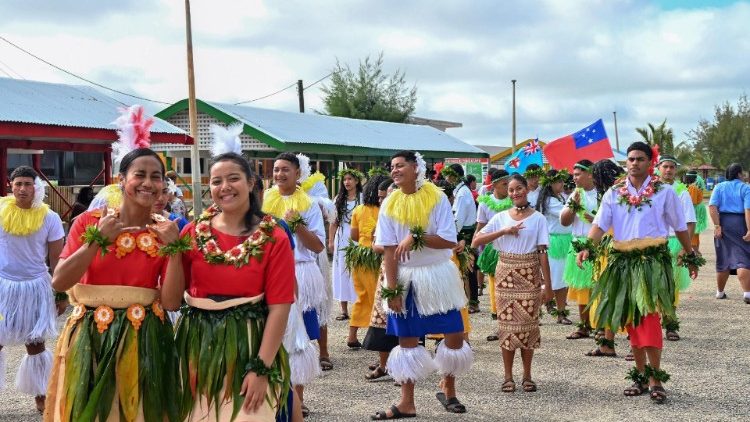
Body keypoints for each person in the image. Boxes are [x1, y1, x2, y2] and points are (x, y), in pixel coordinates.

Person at [46, 114, 182, 421]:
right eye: (140, 175)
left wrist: (174, 250)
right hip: (90, 336)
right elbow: (59, 281)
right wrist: (96, 241)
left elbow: (172, 302)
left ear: (163, 183)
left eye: (156, 176)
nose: (148, 183)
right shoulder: (89, 223)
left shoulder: (166, 231)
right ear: (122, 180)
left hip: (146, 336)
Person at [161, 143, 296, 421]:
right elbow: (171, 301)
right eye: (216, 181)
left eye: (233, 178)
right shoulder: (191, 232)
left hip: (248, 343)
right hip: (195, 346)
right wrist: (174, 252)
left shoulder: (274, 237)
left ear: (251, 183)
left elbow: (280, 307)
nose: (225, 187)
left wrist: (261, 368)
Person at [576, 141, 699, 404]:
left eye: (640, 159)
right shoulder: (613, 192)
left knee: (650, 320)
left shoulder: (665, 192)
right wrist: (586, 247)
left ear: (649, 162)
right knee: (632, 320)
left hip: (652, 263)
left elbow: (679, 227)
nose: (634, 163)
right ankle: (640, 376)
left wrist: (689, 253)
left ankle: (655, 379)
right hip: (622, 264)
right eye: (630, 159)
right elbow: (599, 225)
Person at [371, 151, 473, 420]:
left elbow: (448, 239)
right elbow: (389, 250)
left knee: (453, 336)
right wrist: (392, 290)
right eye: (392, 166)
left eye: (400, 165)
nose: (395, 170)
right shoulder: (389, 203)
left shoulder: (436, 196)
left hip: (438, 275)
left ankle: (448, 388)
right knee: (407, 340)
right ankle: (407, 402)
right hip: (407, 277)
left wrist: (417, 238)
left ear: (416, 167)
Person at [473, 174, 553, 394]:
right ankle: (508, 376)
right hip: (505, 274)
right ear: (507, 193)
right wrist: (504, 231)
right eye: (511, 190)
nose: (515, 193)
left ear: (527, 189)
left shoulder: (538, 219)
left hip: (529, 274)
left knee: (528, 327)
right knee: (507, 328)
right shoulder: (500, 217)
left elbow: (543, 252)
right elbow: (476, 240)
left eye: (519, 188)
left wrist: (549, 285)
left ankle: (527, 375)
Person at [262, 152, 326, 416]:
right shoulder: (266, 200)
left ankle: (297, 400)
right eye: (276, 170)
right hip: (271, 275)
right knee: (273, 337)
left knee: (299, 341)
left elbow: (319, 245)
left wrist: (296, 224)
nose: (279, 175)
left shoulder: (309, 203)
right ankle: (273, 396)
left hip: (302, 273)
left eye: (285, 170)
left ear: (298, 173)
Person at [0, 166, 64, 413]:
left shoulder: (50, 218)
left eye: (28, 184)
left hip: (36, 288)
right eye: (18, 184)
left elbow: (58, 259)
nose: (23, 189)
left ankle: (42, 395)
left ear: (37, 187)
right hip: (3, 288)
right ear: (11, 185)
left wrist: (61, 294)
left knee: (35, 343)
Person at [656, 155, 697, 341]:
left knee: (671, 286)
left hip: (674, 241)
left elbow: (690, 222)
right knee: (651, 285)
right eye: (665, 166)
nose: (669, 170)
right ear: (658, 167)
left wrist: (684, 248)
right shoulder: (650, 189)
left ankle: (670, 325)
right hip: (654, 242)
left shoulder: (681, 191)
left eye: (672, 167)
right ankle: (648, 326)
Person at [346, 174, 387, 350]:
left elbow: (354, 235)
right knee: (376, 297)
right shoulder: (384, 210)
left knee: (362, 296)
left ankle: (352, 335)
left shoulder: (358, 210)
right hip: (375, 257)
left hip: (360, 257)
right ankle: (376, 336)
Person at [560, 160, 597, 340]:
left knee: (598, 286)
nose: (574, 178)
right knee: (581, 286)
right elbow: (565, 221)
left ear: (590, 174)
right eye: (573, 175)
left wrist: (593, 218)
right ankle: (584, 325)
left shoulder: (602, 193)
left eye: (577, 174)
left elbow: (608, 221)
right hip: (577, 243)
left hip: (597, 242)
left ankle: (601, 325)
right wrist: (574, 206)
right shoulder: (575, 194)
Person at [474, 170, 512, 341]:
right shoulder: (485, 203)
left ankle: (513, 323)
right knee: (496, 288)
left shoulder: (514, 201)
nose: (508, 187)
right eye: (504, 184)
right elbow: (480, 226)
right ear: (494, 184)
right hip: (492, 250)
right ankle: (500, 325)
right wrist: (474, 245)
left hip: (511, 248)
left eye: (508, 183)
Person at [709, 163, 750, 303]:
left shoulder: (719, 187)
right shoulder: (745, 188)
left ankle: (720, 292)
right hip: (740, 223)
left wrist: (717, 225)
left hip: (723, 223)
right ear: (739, 174)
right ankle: (747, 293)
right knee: (743, 259)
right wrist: (749, 229)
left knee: (723, 258)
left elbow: (712, 206)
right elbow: (748, 210)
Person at [536, 169, 573, 324]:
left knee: (563, 280)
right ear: (550, 184)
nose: (562, 184)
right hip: (555, 243)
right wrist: (576, 196)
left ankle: (561, 312)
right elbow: (566, 212)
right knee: (555, 280)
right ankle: (538, 311)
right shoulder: (550, 201)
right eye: (559, 182)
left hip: (566, 241)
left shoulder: (560, 197)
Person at [442, 164, 480, 313]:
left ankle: (472, 302)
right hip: (461, 231)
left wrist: (451, 235)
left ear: (455, 176)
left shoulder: (463, 193)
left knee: (467, 268)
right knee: (465, 268)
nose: (447, 178)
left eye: (449, 175)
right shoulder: (460, 190)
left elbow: (458, 218)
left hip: (464, 233)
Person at [330, 169, 364, 322]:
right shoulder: (339, 199)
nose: (347, 182)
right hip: (342, 237)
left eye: (350, 179)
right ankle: (343, 310)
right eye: (345, 180)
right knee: (342, 270)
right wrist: (331, 241)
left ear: (357, 181)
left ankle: (360, 305)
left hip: (359, 237)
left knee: (358, 270)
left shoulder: (363, 198)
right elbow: (334, 222)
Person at [684, 170, 708, 252]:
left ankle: (695, 251)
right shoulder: (694, 186)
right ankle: (696, 251)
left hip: (694, 211)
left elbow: (692, 202)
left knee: (692, 231)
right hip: (697, 209)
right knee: (694, 232)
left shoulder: (692, 187)